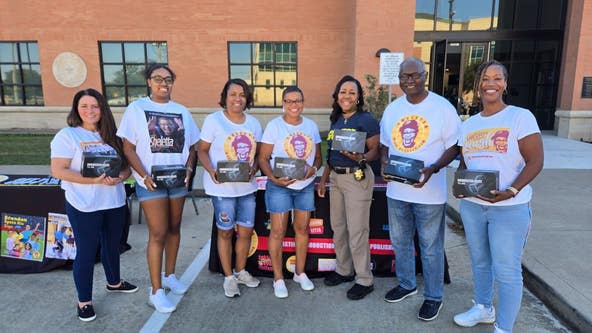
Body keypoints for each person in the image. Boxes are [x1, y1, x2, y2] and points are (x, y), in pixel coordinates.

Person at [453, 60, 543, 333]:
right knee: (480, 261)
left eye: (497, 78)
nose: (490, 83)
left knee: (506, 270)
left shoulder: (520, 116)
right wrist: (459, 185)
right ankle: (483, 308)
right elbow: (465, 163)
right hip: (473, 206)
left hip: (510, 208)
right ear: (478, 84)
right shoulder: (468, 124)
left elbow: (535, 161)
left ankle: (503, 327)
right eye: (485, 78)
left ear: (505, 84)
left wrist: (511, 191)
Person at [379, 57, 460, 321]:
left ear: (425, 75)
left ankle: (434, 296)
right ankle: (407, 284)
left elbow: (455, 146)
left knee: (430, 246)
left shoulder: (442, 107)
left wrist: (433, 169)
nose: (409, 80)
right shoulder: (393, 109)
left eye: (414, 75)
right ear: (399, 78)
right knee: (400, 242)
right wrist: (383, 163)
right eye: (404, 76)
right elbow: (384, 144)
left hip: (430, 192)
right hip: (397, 191)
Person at [50, 88, 138, 322]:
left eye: (95, 106)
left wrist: (121, 177)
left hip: (113, 201)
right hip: (83, 203)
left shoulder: (112, 135)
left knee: (112, 246)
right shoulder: (67, 135)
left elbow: (127, 166)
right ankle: (84, 301)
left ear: (103, 109)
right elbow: (58, 170)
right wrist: (92, 180)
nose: (90, 110)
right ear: (76, 109)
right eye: (84, 106)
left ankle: (114, 283)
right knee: (87, 252)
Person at [117, 64, 200, 313]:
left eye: (168, 79)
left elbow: (193, 147)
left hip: (176, 181)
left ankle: (170, 275)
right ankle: (156, 291)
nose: (164, 83)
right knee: (158, 233)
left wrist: (188, 171)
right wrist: (143, 176)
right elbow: (128, 148)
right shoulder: (136, 109)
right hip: (150, 182)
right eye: (158, 78)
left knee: (175, 228)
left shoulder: (181, 111)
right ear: (149, 82)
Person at [197, 78, 262, 298]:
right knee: (225, 232)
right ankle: (228, 277)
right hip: (222, 189)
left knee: (245, 232)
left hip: (246, 188)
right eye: (233, 94)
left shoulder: (253, 123)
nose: (237, 98)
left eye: (242, 94)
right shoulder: (213, 120)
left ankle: (241, 271)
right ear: (225, 97)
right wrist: (211, 171)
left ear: (247, 98)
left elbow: (258, 154)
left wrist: (254, 169)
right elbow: (202, 150)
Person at [317, 75, 380, 300]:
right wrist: (324, 179)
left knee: (357, 231)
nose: (347, 96)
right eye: (343, 91)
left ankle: (364, 279)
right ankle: (344, 270)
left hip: (357, 177)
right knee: (339, 227)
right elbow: (331, 155)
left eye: (352, 92)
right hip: (336, 178)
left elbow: (376, 150)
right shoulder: (336, 120)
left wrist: (361, 157)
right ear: (337, 95)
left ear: (358, 96)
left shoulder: (366, 119)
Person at [258, 86, 322, 298]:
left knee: (302, 230)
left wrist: (313, 169)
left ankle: (300, 273)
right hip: (279, 187)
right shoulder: (274, 126)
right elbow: (263, 159)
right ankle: (278, 278)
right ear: (283, 103)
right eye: (289, 101)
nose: (293, 105)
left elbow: (319, 158)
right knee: (277, 231)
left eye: (298, 100)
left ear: (303, 102)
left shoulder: (311, 126)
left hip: (304, 186)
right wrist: (274, 178)